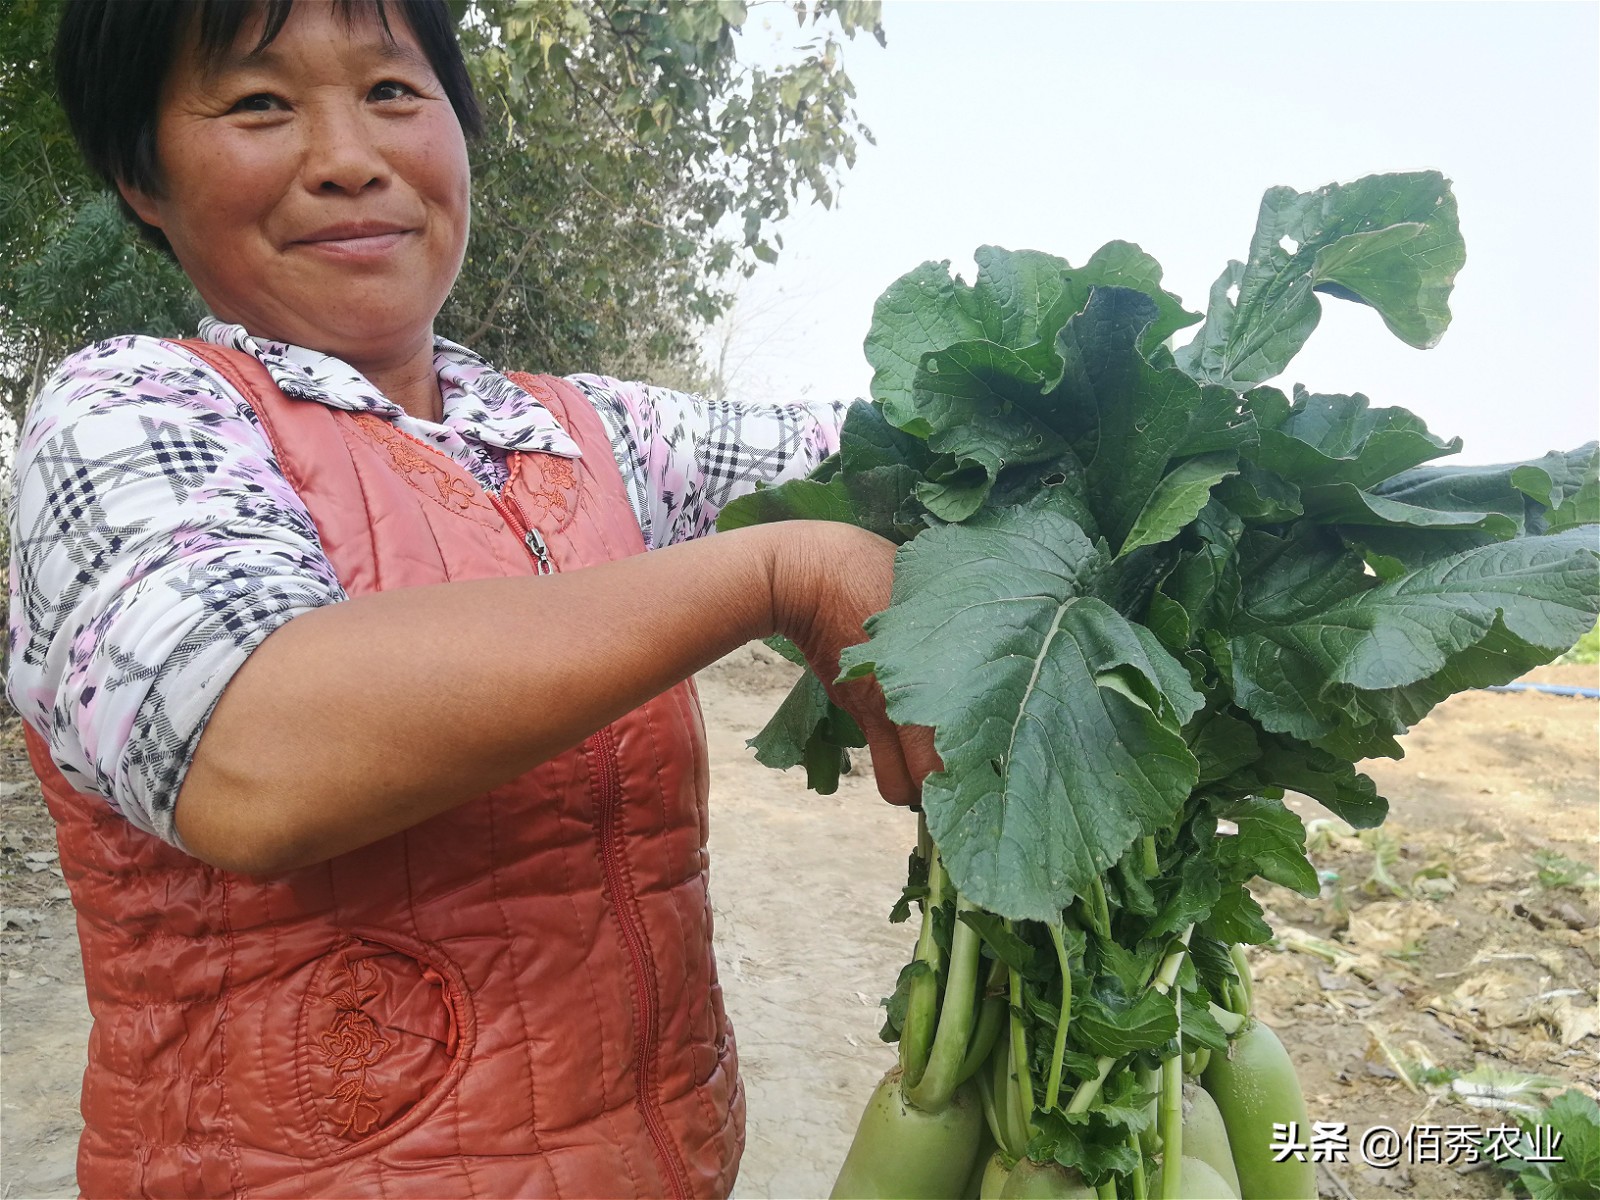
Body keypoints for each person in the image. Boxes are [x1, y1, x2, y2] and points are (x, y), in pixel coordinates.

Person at [5, 1, 939, 1195]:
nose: (349, 158)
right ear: (143, 176)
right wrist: (778, 571)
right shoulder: (130, 412)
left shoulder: (590, 433)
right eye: (259, 103)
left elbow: (902, 453)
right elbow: (248, 752)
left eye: (393, 92)